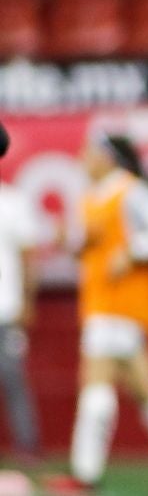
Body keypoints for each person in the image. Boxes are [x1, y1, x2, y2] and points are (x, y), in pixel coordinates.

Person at [44, 134, 148, 495]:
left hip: (122, 303)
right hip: (101, 301)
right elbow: (86, 247)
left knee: (97, 389)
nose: (82, 158)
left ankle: (85, 474)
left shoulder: (129, 191)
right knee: (147, 390)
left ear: (109, 158)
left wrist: (133, 252)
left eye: (90, 152)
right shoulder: (90, 198)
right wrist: (71, 242)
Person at [0, 177, 41, 464]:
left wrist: (27, 300)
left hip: (7, 307)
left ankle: (27, 446)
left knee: (13, 378)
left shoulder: (13, 202)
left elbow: (28, 256)